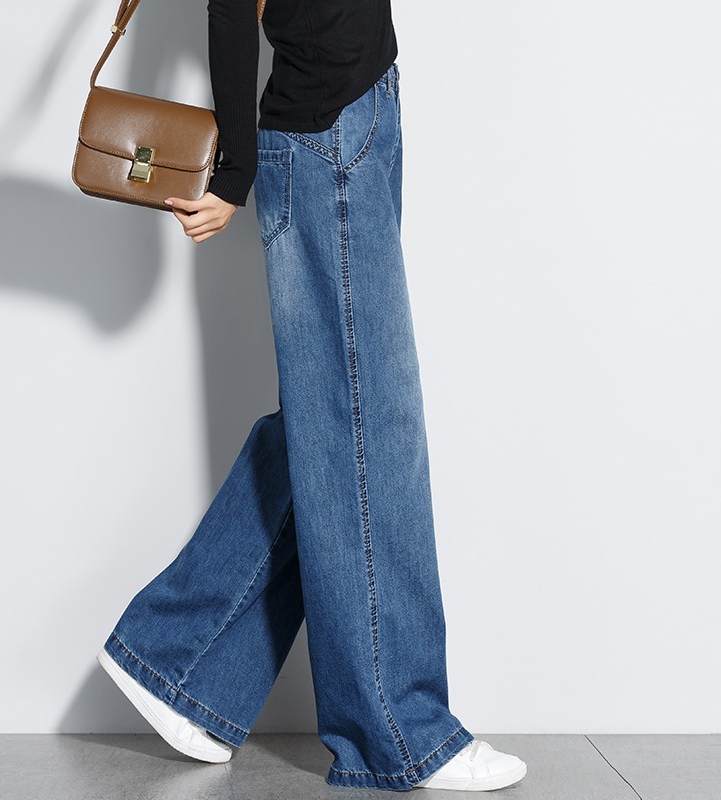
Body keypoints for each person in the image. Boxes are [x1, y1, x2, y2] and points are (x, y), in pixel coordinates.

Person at [97, 0, 528, 792]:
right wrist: (233, 171)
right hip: (325, 133)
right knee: (369, 427)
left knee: (337, 421)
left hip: (365, 108)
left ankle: (175, 660)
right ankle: (398, 733)